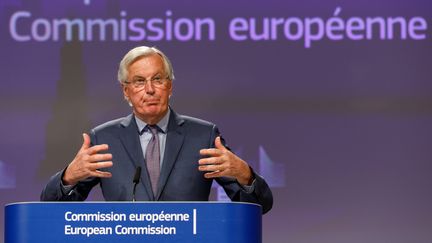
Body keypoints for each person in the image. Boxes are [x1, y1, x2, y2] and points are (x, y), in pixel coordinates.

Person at [41, 46, 273, 214]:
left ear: (169, 86)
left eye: (158, 79)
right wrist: (68, 177)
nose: (150, 89)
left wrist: (245, 174)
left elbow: (260, 206)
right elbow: (49, 208)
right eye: (139, 81)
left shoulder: (203, 136)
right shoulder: (104, 139)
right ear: (126, 91)